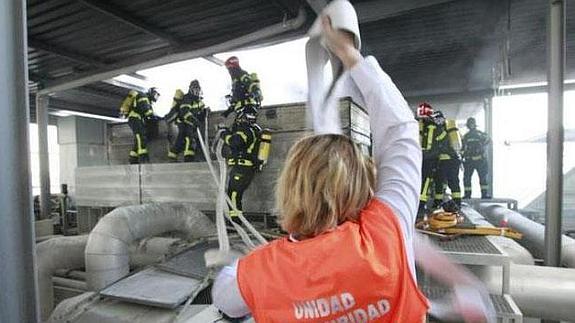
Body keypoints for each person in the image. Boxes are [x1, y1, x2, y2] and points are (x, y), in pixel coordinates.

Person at [212, 16, 494, 323]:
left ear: (289, 186)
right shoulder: (387, 231)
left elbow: (225, 299)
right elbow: (401, 131)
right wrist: (349, 53)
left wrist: (238, 265)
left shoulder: (261, 270)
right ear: (361, 185)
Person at [219, 112, 262, 222]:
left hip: (241, 168)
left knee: (233, 194)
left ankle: (235, 222)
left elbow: (236, 142)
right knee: (234, 194)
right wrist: (228, 132)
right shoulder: (253, 130)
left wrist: (223, 134)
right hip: (245, 168)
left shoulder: (245, 130)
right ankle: (236, 220)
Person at [165, 80, 208, 162]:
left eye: (198, 89)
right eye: (196, 89)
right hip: (183, 122)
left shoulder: (198, 101)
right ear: (191, 89)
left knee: (184, 140)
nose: (197, 91)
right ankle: (188, 159)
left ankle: (174, 156)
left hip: (190, 123)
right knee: (189, 139)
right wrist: (195, 122)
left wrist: (205, 111)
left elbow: (200, 110)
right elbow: (185, 112)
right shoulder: (187, 98)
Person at [416, 102, 446, 218]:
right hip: (428, 158)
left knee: (423, 181)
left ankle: (420, 204)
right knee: (425, 181)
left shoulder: (418, 124)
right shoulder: (433, 126)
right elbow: (441, 141)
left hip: (420, 157)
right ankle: (420, 204)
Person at [119, 87, 159, 164]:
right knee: (140, 136)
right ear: (152, 93)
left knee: (138, 140)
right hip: (135, 118)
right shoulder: (143, 96)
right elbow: (146, 110)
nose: (156, 97)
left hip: (136, 119)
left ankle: (133, 159)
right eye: (156, 95)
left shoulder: (147, 100)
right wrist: (154, 117)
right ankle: (143, 157)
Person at [433, 119, 463, 209]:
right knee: (454, 181)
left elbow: (436, 142)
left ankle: (438, 202)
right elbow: (460, 144)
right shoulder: (452, 131)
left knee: (439, 182)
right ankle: (457, 202)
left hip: (443, 161)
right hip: (454, 160)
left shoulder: (440, 130)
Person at [462, 117, 491, 199]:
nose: (471, 125)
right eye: (470, 124)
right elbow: (462, 148)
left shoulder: (480, 134)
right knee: (467, 178)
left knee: (483, 178)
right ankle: (467, 195)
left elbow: (488, 140)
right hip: (470, 160)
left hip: (480, 160)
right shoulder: (466, 136)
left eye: (472, 124)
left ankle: (484, 194)